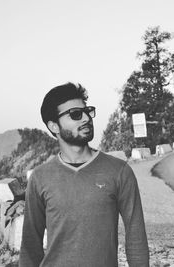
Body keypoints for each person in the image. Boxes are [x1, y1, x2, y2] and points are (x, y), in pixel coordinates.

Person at [19, 82, 149, 267]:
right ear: (54, 126)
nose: (86, 118)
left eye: (87, 111)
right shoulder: (40, 178)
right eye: (75, 114)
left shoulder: (119, 171)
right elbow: (30, 247)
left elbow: (136, 237)